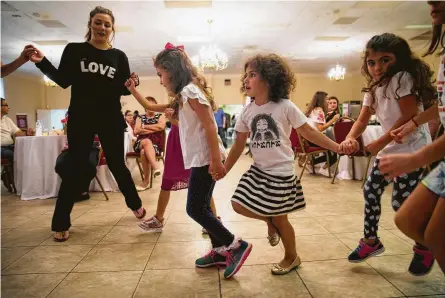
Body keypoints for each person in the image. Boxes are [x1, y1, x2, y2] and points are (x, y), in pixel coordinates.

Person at [126, 42, 252, 279]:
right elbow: (154, 107)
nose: (161, 80)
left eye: (161, 74)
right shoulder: (184, 95)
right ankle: (218, 251)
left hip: (206, 158)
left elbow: (210, 125)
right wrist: (133, 90)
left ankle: (234, 244)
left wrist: (215, 160)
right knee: (202, 206)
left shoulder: (191, 91)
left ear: (171, 70)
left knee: (194, 208)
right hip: (200, 158)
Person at [29, 6, 146, 242]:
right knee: (74, 167)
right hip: (81, 117)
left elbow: (122, 89)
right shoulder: (74, 50)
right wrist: (42, 63)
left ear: (112, 29)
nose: (102, 27)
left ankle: (135, 204)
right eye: (98, 22)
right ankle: (60, 222)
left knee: (117, 165)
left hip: (111, 117)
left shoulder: (118, 56)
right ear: (90, 24)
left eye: (107, 24)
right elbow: (63, 80)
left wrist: (133, 82)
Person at [220, 54, 341, 275]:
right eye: (245, 75)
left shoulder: (284, 106)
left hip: (282, 172)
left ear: (268, 79)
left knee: (281, 218)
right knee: (238, 204)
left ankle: (291, 256)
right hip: (258, 170)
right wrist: (225, 169)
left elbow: (308, 132)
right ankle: (269, 221)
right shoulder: (248, 110)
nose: (246, 80)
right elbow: (238, 145)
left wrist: (336, 147)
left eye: (252, 75)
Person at [339, 33, 436, 276]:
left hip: (413, 146)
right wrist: (351, 136)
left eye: (385, 60)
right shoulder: (373, 88)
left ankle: (425, 246)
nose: (377, 67)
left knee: (400, 204)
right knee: (370, 190)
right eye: (372, 62)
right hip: (393, 147)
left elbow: (407, 116)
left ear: (399, 60)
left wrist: (379, 142)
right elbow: (362, 119)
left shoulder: (402, 78)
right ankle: (371, 242)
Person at [378, 0, 445, 275]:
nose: (431, 1)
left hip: (417, 150)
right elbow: (437, 108)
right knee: (407, 219)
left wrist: (414, 158)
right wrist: (414, 123)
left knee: (435, 232)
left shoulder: (405, 81)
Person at [125, 85, 220, 233]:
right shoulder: (175, 104)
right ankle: (158, 218)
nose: (163, 83)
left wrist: (171, 120)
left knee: (201, 183)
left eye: (165, 78)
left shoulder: (191, 101)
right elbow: (148, 105)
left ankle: (213, 219)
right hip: (175, 144)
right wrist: (132, 89)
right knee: (167, 181)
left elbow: (191, 127)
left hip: (187, 145)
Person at [133, 97, 166, 191]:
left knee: (144, 152)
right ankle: (156, 167)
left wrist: (144, 127)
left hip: (155, 143)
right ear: (145, 106)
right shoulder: (140, 117)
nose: (151, 107)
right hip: (140, 142)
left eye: (153, 104)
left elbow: (161, 127)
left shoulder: (160, 116)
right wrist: (153, 129)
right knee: (146, 141)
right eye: (148, 104)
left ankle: (146, 182)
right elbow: (136, 131)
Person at [1, 97, 35, 162]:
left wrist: (27, 133)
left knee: (28, 152)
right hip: (1, 149)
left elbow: (17, 133)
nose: (8, 107)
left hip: (10, 146)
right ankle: (14, 171)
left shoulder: (7, 120)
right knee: (13, 155)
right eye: (5, 105)